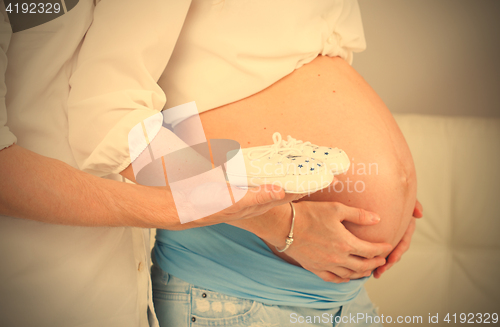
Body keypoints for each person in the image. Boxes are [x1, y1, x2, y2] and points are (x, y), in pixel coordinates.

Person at [0, 1, 420, 326]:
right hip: (240, 285)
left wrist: (390, 189)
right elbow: (120, 132)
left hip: (341, 289)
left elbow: (314, 80)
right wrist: (283, 225)